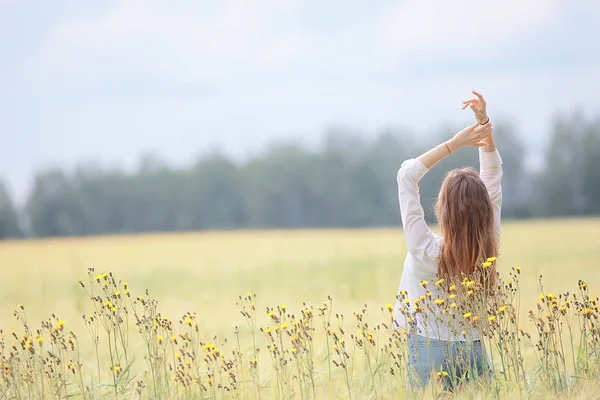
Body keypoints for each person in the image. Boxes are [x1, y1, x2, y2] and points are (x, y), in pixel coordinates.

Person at [392, 91, 502, 391]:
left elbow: (406, 176)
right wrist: (483, 125)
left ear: (442, 211)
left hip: (427, 348)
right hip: (474, 348)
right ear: (485, 210)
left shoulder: (425, 250)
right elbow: (492, 174)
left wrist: (455, 143)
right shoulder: (488, 243)